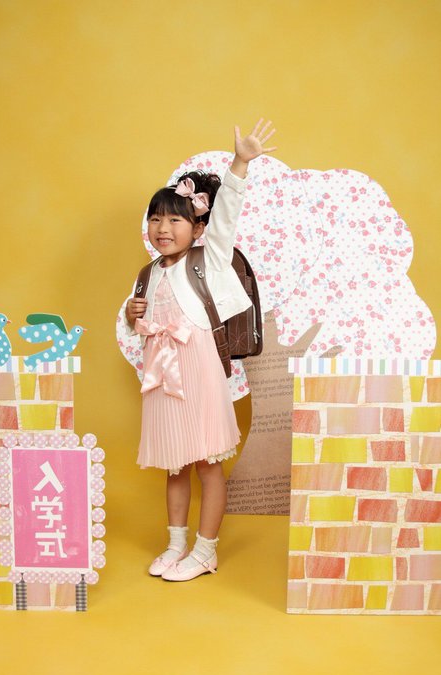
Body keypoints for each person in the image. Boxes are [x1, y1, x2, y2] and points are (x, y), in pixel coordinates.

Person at [125, 119, 276, 581]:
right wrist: (133, 316)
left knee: (208, 465)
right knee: (175, 466)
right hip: (162, 378)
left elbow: (227, 212)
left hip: (200, 373)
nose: (162, 227)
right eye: (156, 218)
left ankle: (205, 550)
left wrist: (240, 163)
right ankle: (176, 545)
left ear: (197, 226)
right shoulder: (150, 272)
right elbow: (143, 329)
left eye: (174, 219)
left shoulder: (208, 259)